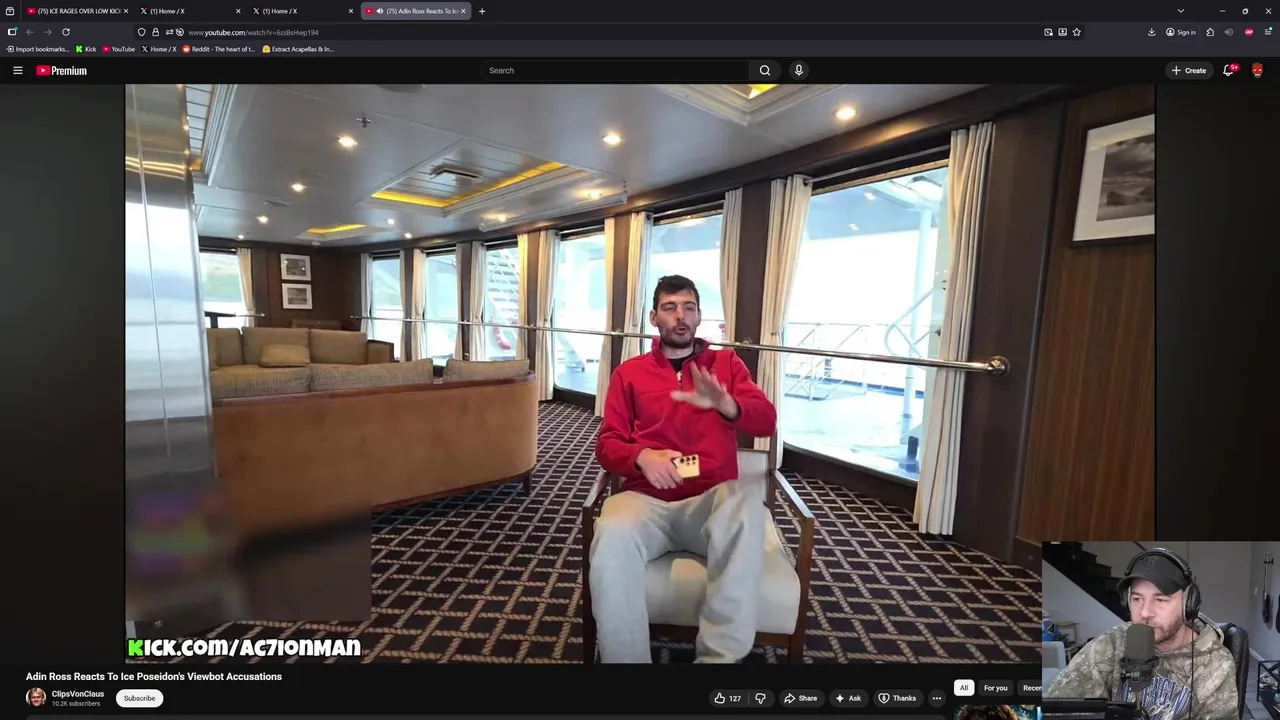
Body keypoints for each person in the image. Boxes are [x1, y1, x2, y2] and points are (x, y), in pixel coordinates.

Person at [591, 274, 777, 663]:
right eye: (670, 308)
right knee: (611, 531)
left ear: (699, 316)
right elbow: (607, 445)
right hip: (646, 500)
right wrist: (641, 456)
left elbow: (766, 421)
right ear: (653, 317)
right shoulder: (629, 373)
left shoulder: (725, 364)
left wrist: (727, 405)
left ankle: (718, 660)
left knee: (747, 508)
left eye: (689, 308)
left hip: (709, 499)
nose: (681, 316)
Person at [1046, 548, 1238, 720]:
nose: (1145, 612)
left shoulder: (1216, 664)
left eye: (1160, 600)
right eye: (1137, 599)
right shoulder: (1111, 643)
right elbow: (1060, 706)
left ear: (1188, 604)